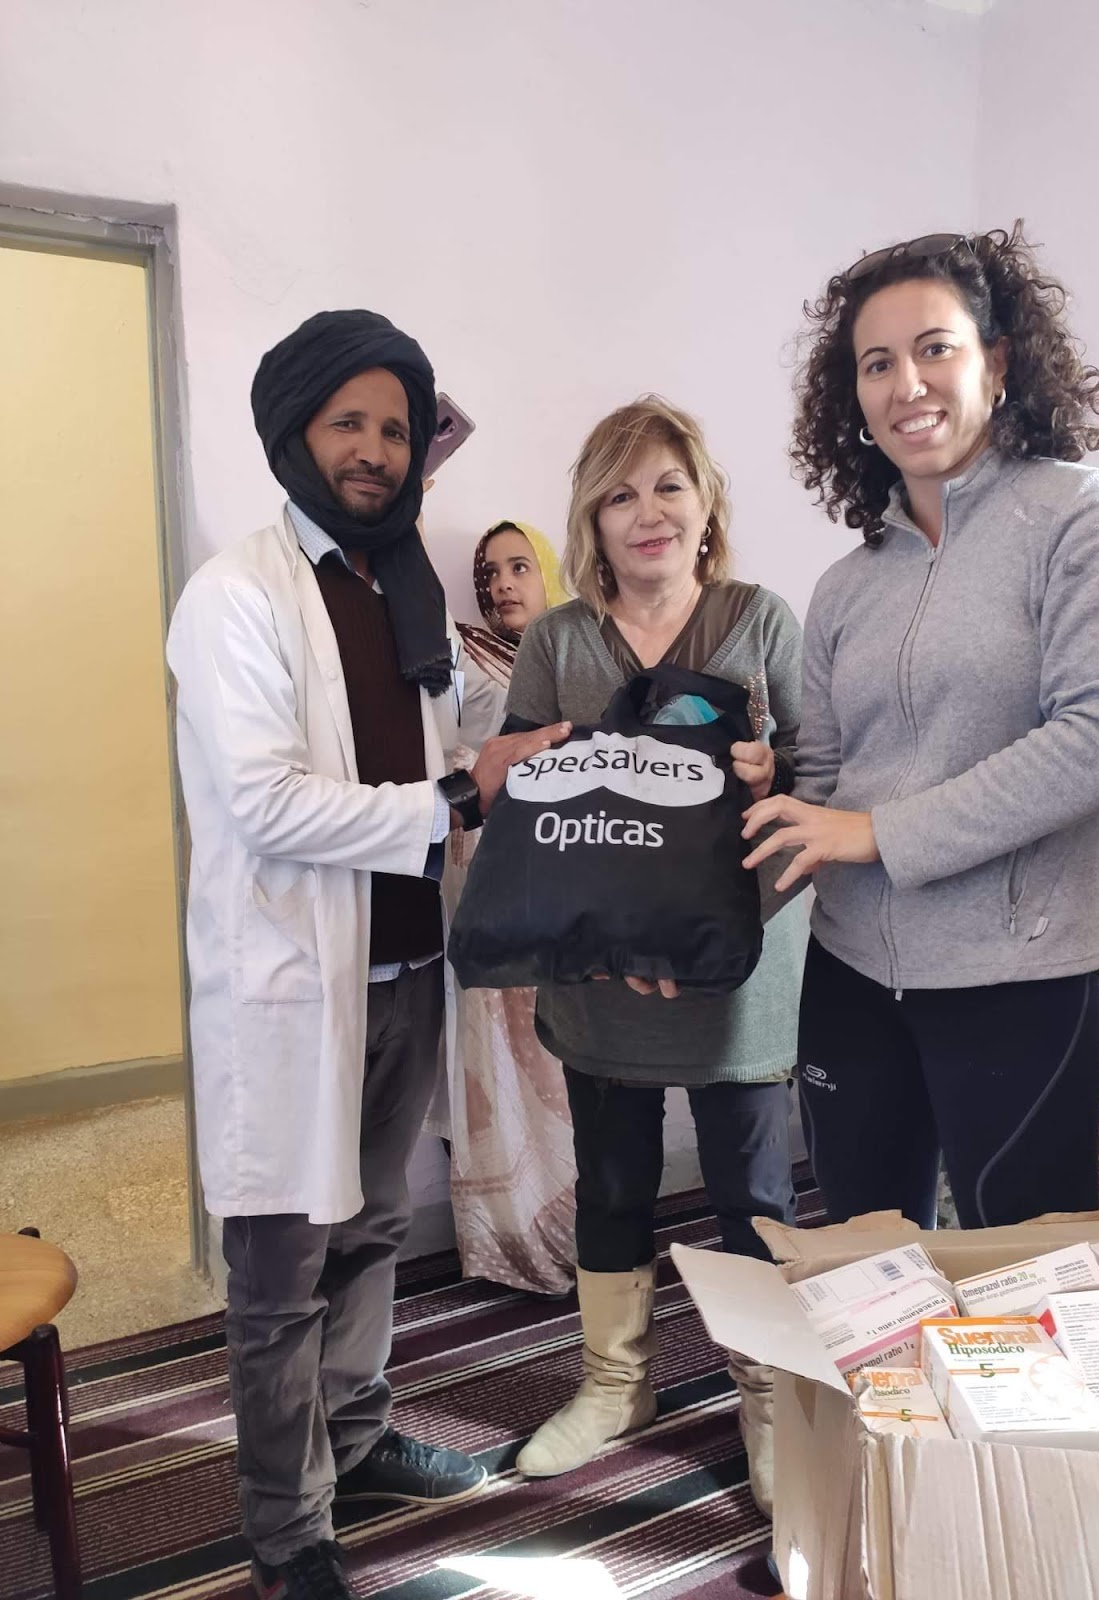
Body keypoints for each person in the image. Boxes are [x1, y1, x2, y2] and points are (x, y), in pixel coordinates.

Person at [166, 310, 568, 1600]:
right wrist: (458, 796)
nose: (378, 450)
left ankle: (356, 1434)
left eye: (396, 429)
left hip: (405, 972)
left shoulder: (407, 596)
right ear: (297, 433)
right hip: (291, 985)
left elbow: (461, 736)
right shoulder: (235, 596)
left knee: (375, 1227)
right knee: (282, 1267)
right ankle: (289, 1532)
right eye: (350, 422)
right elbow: (266, 803)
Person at [743, 225, 1099, 1233]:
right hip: (851, 974)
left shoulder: (1089, 518)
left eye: (934, 347)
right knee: (867, 1268)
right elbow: (823, 792)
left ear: (1000, 359)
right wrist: (691, 935)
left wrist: (880, 833)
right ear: (852, 396)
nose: (907, 384)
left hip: (1017, 980)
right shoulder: (846, 585)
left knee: (1021, 1279)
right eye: (876, 363)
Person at [505, 395, 806, 1518]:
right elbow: (524, 802)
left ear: (705, 502)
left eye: (669, 486)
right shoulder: (558, 641)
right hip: (601, 979)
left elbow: (824, 778)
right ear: (592, 516)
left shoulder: (759, 622)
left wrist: (774, 776)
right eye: (620, 493)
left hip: (740, 976)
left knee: (754, 1197)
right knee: (614, 1182)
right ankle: (614, 1384)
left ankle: (769, 1401)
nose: (648, 512)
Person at [438, 520, 579, 1296]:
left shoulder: (582, 652)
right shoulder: (464, 656)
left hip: (566, 894)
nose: (500, 585)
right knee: (501, 1059)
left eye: (519, 566)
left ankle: (584, 1229)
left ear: (550, 572)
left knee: (566, 1062)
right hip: (491, 892)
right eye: (488, 574)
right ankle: (513, 1236)